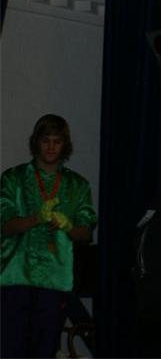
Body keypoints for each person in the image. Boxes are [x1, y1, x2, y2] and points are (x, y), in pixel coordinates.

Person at [1, 114, 97, 358]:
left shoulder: (77, 185)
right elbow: (5, 226)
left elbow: (86, 234)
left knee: (45, 351)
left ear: (65, 145)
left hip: (55, 281)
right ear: (36, 142)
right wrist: (36, 218)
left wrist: (68, 226)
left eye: (57, 141)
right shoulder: (13, 178)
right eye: (45, 140)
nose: (51, 147)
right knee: (11, 350)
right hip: (15, 277)